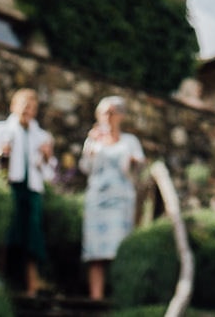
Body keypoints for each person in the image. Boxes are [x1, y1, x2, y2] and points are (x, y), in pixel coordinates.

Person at [0, 88, 55, 297]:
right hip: (9, 186)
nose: (27, 110)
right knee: (6, 232)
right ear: (14, 106)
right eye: (24, 105)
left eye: (32, 107)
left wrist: (47, 157)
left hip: (32, 190)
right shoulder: (2, 129)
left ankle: (31, 285)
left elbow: (50, 174)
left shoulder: (41, 136)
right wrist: (1, 152)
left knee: (31, 235)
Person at [79, 96, 146, 300]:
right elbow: (85, 168)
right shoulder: (93, 140)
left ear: (121, 116)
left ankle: (119, 297)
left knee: (119, 249)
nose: (106, 117)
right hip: (97, 198)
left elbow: (141, 166)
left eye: (111, 112)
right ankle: (96, 298)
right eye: (102, 113)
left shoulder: (130, 141)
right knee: (96, 251)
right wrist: (91, 150)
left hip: (122, 199)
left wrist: (134, 162)